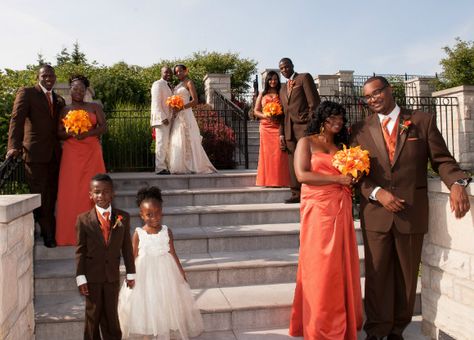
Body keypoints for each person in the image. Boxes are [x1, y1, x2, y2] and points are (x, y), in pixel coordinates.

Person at [350, 76, 471, 340]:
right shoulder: (359, 129)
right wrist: (378, 194)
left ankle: (396, 331)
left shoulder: (421, 121)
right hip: (376, 214)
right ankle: (376, 330)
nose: (373, 100)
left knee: (406, 276)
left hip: (411, 211)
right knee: (377, 273)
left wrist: (458, 183)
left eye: (377, 93)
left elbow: (442, 160)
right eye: (368, 97)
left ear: (390, 90)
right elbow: (357, 174)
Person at [289, 101, 363, 339]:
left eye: (341, 118)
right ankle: (319, 322)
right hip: (318, 210)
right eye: (333, 117)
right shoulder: (306, 142)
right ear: (322, 118)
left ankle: (341, 318)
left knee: (339, 264)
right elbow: (302, 175)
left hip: (341, 207)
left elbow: (350, 174)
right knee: (320, 264)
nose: (338, 122)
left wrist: (354, 176)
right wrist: (338, 180)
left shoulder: (343, 145)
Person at [117, 186, 204, 339]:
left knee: (164, 305)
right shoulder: (139, 233)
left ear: (162, 211)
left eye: (157, 213)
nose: (154, 217)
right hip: (145, 276)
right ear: (142, 215)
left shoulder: (166, 231)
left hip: (166, 275)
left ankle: (162, 331)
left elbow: (172, 252)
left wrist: (181, 271)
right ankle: (147, 334)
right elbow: (132, 256)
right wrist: (130, 275)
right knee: (147, 306)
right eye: (149, 214)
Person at [6, 64, 65, 247]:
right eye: (45, 75)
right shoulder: (27, 93)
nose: (48, 78)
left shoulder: (58, 99)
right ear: (37, 77)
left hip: (55, 155)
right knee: (40, 194)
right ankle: (48, 235)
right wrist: (13, 146)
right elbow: (17, 119)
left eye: (51, 76)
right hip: (34, 154)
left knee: (52, 195)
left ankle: (47, 229)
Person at [76, 173, 136, 340]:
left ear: (112, 194)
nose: (100, 196)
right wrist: (80, 277)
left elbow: (126, 248)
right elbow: (80, 250)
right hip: (91, 276)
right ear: (90, 194)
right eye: (96, 192)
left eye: (105, 192)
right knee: (92, 315)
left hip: (111, 276)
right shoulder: (83, 220)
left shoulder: (122, 217)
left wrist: (131, 273)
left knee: (111, 316)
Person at [55, 75, 106, 246]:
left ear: (86, 91)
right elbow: (59, 133)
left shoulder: (94, 107)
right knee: (71, 191)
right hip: (71, 153)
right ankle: (69, 235)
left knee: (94, 189)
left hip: (92, 151)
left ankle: (95, 233)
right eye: (75, 88)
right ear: (70, 89)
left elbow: (103, 127)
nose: (78, 91)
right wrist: (71, 133)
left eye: (82, 89)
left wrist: (88, 133)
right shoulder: (64, 110)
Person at [278, 58, 321, 203]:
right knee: (292, 162)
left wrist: (310, 123)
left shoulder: (304, 78)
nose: (284, 70)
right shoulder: (282, 89)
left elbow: (314, 103)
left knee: (307, 160)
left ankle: (310, 191)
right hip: (289, 129)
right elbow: (283, 113)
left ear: (292, 66)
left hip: (304, 127)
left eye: (286, 67)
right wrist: (281, 133)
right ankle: (296, 194)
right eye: (282, 68)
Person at [167, 64, 217, 174]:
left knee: (189, 138)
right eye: (176, 72)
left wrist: (181, 107)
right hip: (178, 115)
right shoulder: (178, 84)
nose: (178, 73)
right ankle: (180, 166)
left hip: (186, 113)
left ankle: (194, 165)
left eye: (180, 71)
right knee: (178, 138)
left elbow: (195, 101)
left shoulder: (189, 82)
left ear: (186, 71)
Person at [253, 71, 290, 187]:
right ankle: (268, 181)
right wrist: (267, 115)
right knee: (267, 154)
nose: (272, 81)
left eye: (275, 79)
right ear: (267, 81)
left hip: (279, 126)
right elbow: (256, 111)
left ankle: (280, 181)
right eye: (270, 79)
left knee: (279, 154)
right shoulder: (262, 94)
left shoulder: (282, 92)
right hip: (266, 127)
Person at [151, 66, 173, 175]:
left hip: (169, 119)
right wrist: (163, 117)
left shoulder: (169, 85)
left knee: (167, 144)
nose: (168, 74)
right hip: (162, 120)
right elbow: (156, 103)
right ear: (161, 73)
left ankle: (166, 166)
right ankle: (159, 168)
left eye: (170, 72)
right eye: (166, 72)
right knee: (161, 143)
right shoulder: (157, 84)